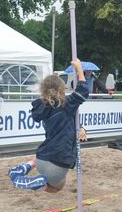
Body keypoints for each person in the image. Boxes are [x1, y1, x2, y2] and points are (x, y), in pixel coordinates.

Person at [8, 59, 89, 193]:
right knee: (57, 188)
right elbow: (83, 91)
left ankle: (26, 167)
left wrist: (80, 128)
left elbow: (66, 119)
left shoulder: (43, 106)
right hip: (59, 160)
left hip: (41, 158)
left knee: (51, 153)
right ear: (61, 88)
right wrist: (80, 69)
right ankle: (40, 184)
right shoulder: (66, 104)